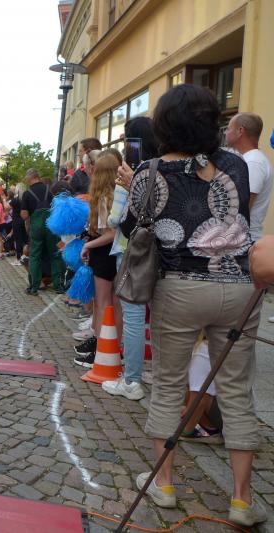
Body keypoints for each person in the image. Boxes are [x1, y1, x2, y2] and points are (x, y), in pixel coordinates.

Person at [121, 84, 264, 527]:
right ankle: (242, 499)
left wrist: (133, 186)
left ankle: (163, 484)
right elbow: (236, 215)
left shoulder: (149, 170)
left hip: (179, 286)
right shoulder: (236, 164)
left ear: (164, 124)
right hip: (237, 286)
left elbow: (133, 229)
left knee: (168, 384)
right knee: (236, 390)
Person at [102, 116, 160, 401]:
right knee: (159, 316)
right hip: (161, 250)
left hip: (131, 250)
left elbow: (116, 219)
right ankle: (155, 374)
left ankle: (132, 379)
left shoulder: (131, 173)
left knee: (134, 316)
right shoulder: (163, 169)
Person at [75, 153, 122, 368]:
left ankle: (102, 351)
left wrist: (88, 245)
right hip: (117, 254)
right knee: (115, 305)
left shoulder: (104, 198)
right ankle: (112, 349)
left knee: (103, 304)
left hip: (104, 254)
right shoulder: (119, 194)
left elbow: (110, 234)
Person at [225, 112, 272, 242]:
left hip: (243, 240)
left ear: (240, 131)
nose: (225, 132)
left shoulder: (253, 162)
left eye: (228, 128)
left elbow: (243, 207)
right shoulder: (249, 159)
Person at [21, 169, 65, 295]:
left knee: (35, 256)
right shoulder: (49, 190)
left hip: (36, 227)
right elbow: (55, 208)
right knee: (55, 255)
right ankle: (58, 286)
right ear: (38, 177)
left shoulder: (27, 193)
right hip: (50, 226)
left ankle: (34, 287)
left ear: (29, 178)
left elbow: (24, 215)